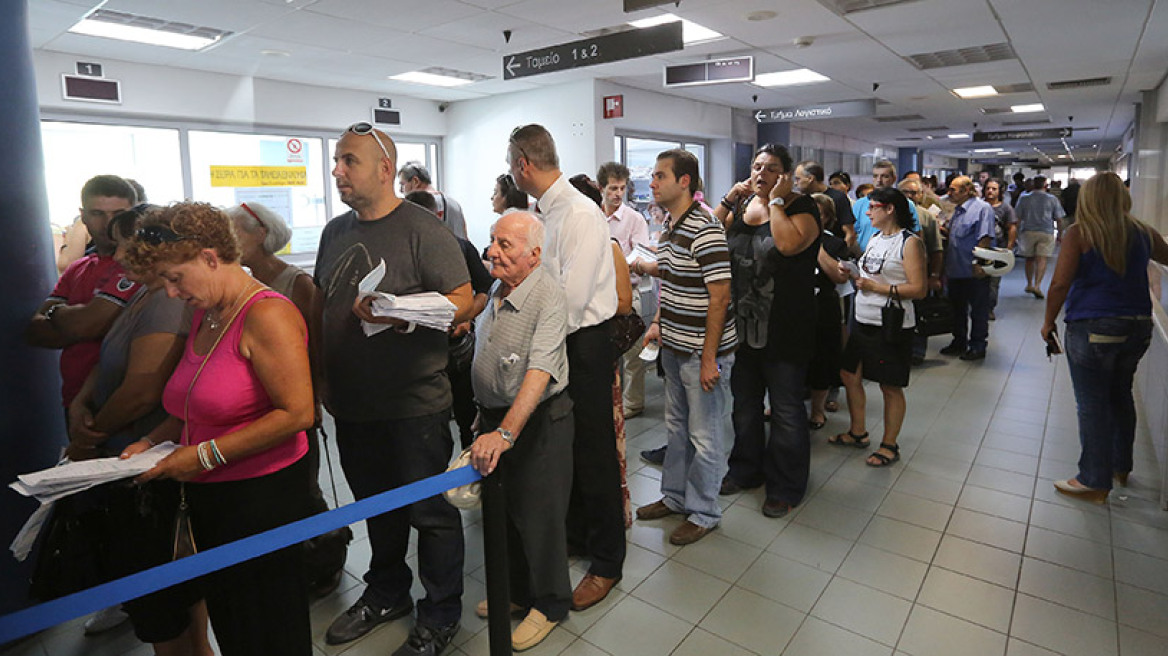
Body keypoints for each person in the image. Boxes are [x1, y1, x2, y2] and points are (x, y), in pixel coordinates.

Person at [121, 201, 315, 655]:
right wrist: (150, 440)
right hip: (211, 498)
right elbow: (192, 404)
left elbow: (297, 413)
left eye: (175, 277)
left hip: (259, 500)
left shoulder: (267, 314)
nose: (171, 293)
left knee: (267, 627)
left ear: (210, 257)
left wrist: (203, 455)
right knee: (233, 623)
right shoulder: (206, 313)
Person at [317, 123, 473, 656]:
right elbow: (324, 307)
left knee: (429, 514)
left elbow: (462, 300)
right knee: (376, 508)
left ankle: (441, 613)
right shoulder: (334, 231)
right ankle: (386, 593)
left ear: (385, 170)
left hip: (414, 407)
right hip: (354, 406)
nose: (338, 170)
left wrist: (403, 317)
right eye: (337, 161)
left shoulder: (423, 229)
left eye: (349, 161)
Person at [53, 205, 209, 655]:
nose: (118, 254)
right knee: (166, 595)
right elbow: (108, 359)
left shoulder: (166, 297)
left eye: (125, 244)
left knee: (163, 596)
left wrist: (91, 435)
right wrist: (83, 401)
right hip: (123, 452)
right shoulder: (140, 294)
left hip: (143, 462)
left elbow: (142, 389)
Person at [506, 124, 624, 610]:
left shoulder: (577, 212)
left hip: (583, 343)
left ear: (522, 165)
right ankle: (577, 535)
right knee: (565, 451)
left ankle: (607, 562)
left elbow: (570, 301)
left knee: (595, 456)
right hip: (556, 340)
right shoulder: (542, 212)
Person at [225, 201, 352, 598]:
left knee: (304, 489)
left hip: (292, 404)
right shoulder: (239, 284)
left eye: (235, 232)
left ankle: (326, 558)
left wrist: (316, 396)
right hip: (255, 408)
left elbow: (315, 346)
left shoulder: (295, 283)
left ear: (260, 235)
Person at [468, 211, 574, 651]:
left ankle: (550, 603)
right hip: (495, 419)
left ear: (534, 254)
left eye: (504, 245)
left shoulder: (548, 295)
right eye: (492, 241)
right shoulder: (499, 286)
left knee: (540, 518)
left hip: (538, 424)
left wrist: (506, 434)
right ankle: (515, 591)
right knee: (505, 512)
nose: (492, 251)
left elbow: (540, 371)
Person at [1041, 172, 1168, 503]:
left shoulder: (1080, 233)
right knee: (1121, 394)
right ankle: (1120, 466)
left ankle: (1094, 480)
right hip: (1138, 325)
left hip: (1094, 325)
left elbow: (1059, 283)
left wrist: (1047, 323)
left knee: (1093, 403)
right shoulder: (1143, 232)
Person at [709, 144, 820, 518]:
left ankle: (786, 485)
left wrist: (775, 201)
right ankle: (746, 469)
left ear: (786, 175)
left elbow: (787, 245)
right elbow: (709, 232)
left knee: (786, 409)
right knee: (744, 406)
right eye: (757, 167)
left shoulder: (802, 208)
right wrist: (730, 197)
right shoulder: (742, 208)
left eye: (771, 168)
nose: (761, 174)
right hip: (741, 327)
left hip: (785, 327)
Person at [633, 148, 736, 542]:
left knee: (705, 436)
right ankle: (675, 497)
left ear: (684, 181)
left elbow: (721, 295)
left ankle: (704, 512)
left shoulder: (706, 227)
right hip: (674, 347)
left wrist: (710, 358)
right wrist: (658, 322)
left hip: (700, 353)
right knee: (676, 428)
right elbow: (672, 280)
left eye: (660, 176)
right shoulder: (672, 225)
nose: (652, 183)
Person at [27, 175, 140, 412]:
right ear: (84, 216)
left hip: (121, 402)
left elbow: (88, 325)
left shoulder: (137, 267)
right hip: (73, 397)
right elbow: (36, 332)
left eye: (118, 214)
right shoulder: (78, 268)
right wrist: (84, 320)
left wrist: (60, 316)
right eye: (98, 214)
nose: (109, 223)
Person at [833, 187, 927, 467]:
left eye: (874, 207)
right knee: (849, 374)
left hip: (891, 324)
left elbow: (918, 289)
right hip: (863, 318)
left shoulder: (908, 243)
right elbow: (868, 273)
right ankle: (858, 431)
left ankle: (889, 444)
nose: (868, 212)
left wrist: (879, 288)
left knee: (890, 385)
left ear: (890, 210)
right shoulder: (875, 238)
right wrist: (851, 272)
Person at [404, 190, 492, 449]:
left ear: (437, 216)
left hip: (457, 353)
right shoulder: (402, 254)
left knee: (466, 420)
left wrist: (466, 316)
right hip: (418, 357)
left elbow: (486, 287)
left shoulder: (461, 246)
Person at [598, 161, 652, 420]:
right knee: (604, 353)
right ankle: (606, 399)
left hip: (628, 293)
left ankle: (634, 402)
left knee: (633, 355)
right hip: (599, 294)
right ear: (601, 188)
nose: (618, 194)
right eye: (613, 188)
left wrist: (618, 262)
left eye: (621, 188)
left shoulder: (634, 219)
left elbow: (639, 256)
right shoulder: (594, 216)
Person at [807, 193, 852, 429]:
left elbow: (837, 275)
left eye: (819, 214)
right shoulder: (789, 236)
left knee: (821, 359)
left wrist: (815, 244)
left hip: (824, 306)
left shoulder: (835, 244)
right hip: (795, 306)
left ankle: (817, 410)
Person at [939, 176, 996, 361]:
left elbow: (985, 238)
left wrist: (979, 264)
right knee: (957, 308)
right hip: (956, 268)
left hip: (973, 270)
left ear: (966, 190)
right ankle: (959, 341)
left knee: (978, 309)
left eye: (953, 189)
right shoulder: (959, 210)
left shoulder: (982, 208)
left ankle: (978, 346)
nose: (949, 193)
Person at [1016, 175, 1066, 299]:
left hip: (1028, 231)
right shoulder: (1052, 199)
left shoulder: (1024, 198)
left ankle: (1029, 284)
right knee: (1042, 259)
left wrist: (1016, 234)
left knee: (1029, 259)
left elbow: (1017, 218)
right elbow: (1059, 219)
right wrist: (1060, 234)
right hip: (1046, 232)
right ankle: (1038, 285)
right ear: (1046, 185)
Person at [398, 160, 468, 238]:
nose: (400, 190)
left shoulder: (417, 206)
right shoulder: (454, 204)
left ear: (415, 181)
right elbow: (465, 236)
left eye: (402, 185)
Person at [795, 160, 855, 249]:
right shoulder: (802, 200)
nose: (795, 183)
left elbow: (849, 233)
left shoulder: (838, 198)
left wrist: (841, 253)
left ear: (810, 178)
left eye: (798, 179)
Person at [983, 179, 1018, 321]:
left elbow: (1012, 227)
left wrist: (1009, 247)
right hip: (979, 248)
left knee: (993, 281)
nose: (990, 191)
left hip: (998, 247)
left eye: (994, 189)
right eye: (988, 188)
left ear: (999, 192)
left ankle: (989, 308)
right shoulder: (978, 206)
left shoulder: (1006, 208)